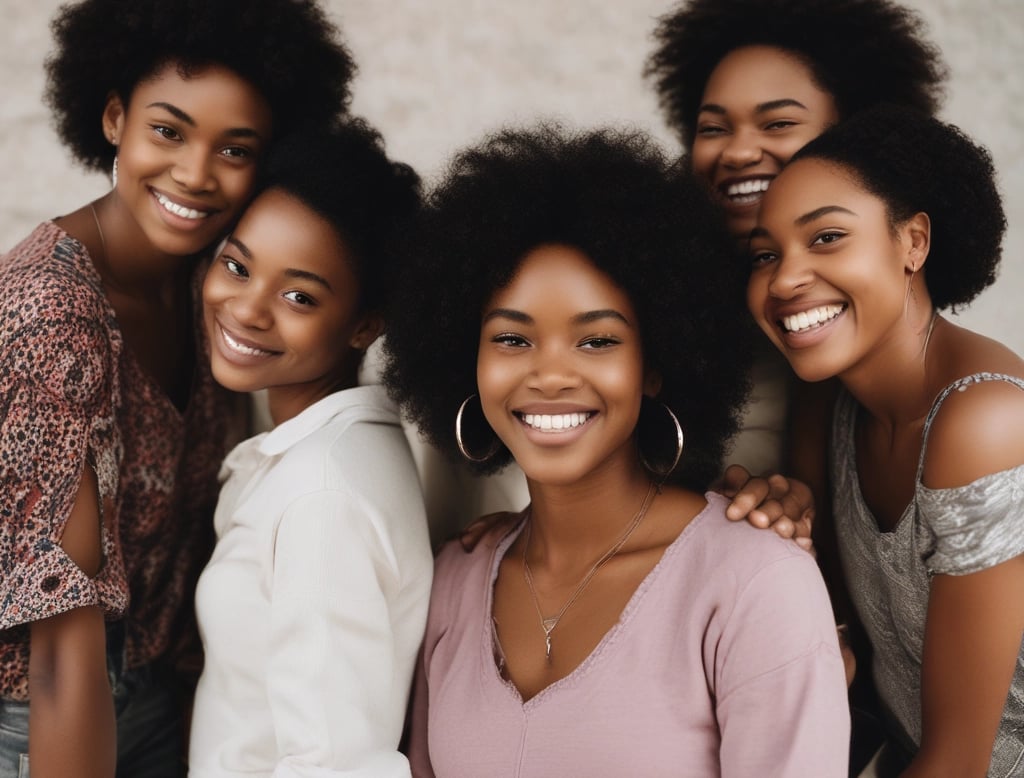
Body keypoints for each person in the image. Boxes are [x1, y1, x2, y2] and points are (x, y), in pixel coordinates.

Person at [384, 125, 850, 777]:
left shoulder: (755, 583)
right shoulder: (454, 587)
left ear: (655, 365)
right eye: (512, 340)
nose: (549, 375)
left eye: (596, 341)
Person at [0, 1, 354, 775]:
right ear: (113, 116)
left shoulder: (218, 284)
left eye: (236, 148)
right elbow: (62, 654)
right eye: (169, 130)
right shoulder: (53, 318)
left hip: (166, 695)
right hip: (43, 723)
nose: (196, 174)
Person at [746, 104, 1024, 777]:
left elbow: (961, 761)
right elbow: (839, 628)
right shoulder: (831, 399)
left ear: (914, 243)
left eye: (827, 238)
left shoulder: (982, 422)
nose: (785, 279)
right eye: (765, 255)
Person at [187, 119, 432, 776]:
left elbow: (333, 762)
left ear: (364, 325)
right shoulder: (325, 452)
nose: (246, 309)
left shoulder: (324, 497)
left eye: (299, 295)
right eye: (236, 265)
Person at [644, 0, 947, 485]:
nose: (739, 152)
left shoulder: (877, 336)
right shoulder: (658, 303)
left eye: (778, 123)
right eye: (713, 129)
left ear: (857, 138)